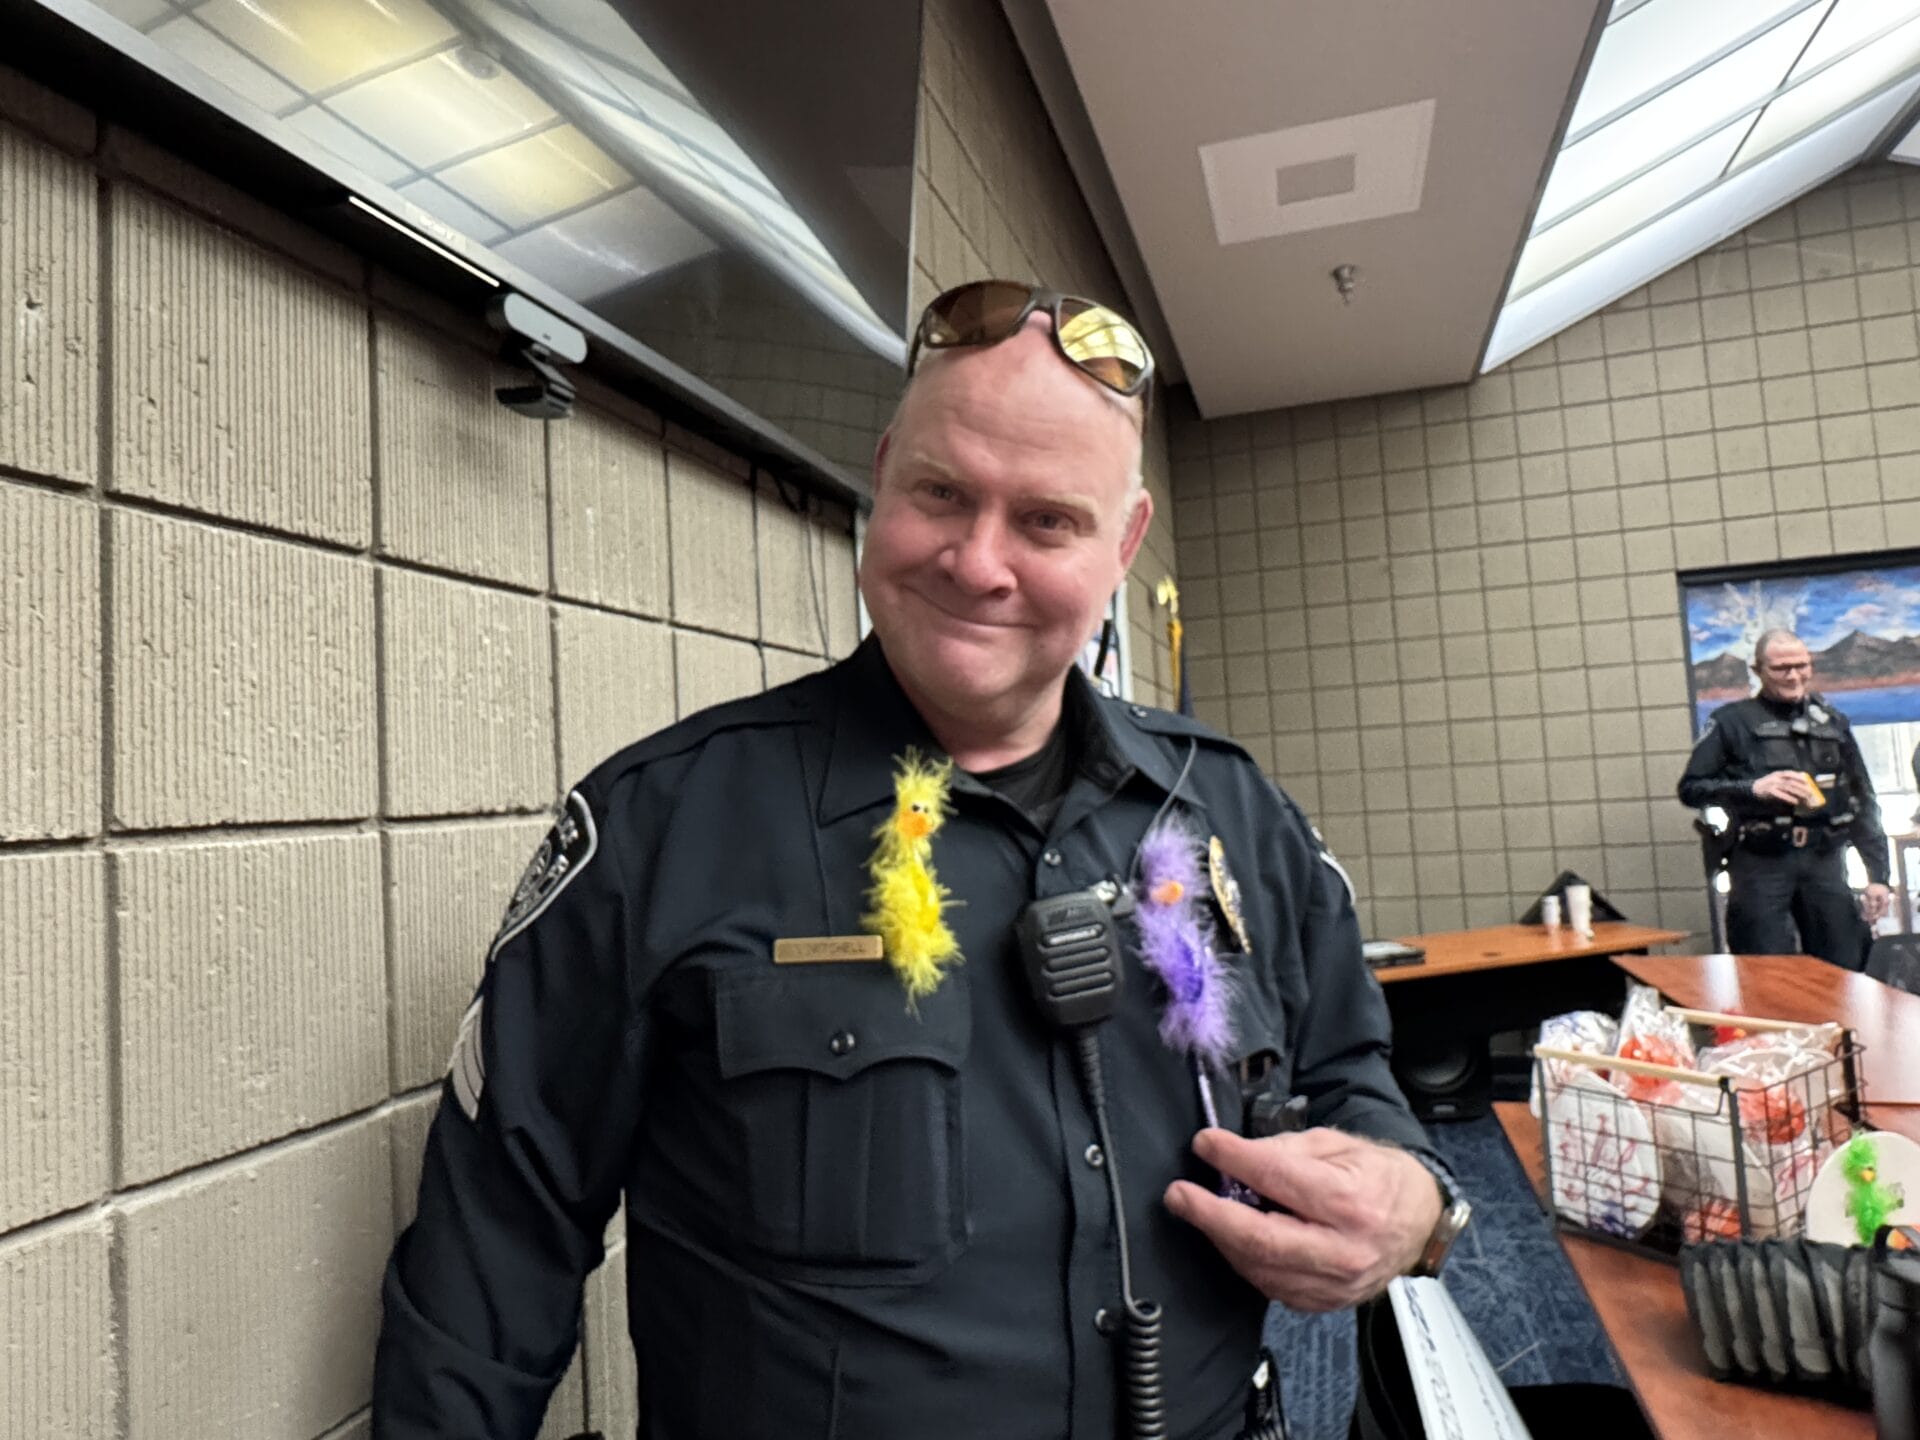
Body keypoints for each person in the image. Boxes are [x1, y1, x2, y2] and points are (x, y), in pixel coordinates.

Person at [372, 280, 1464, 1440]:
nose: (977, 563)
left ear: (1124, 543)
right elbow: (491, 1260)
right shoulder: (664, 830)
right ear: (884, 472)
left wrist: (1416, 1205)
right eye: (942, 492)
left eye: (1046, 521)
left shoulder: (1235, 815)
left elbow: (1351, 1077)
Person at [1678, 629, 1891, 970]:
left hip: (1825, 860)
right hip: (1760, 862)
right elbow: (1691, 788)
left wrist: (1878, 875)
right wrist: (1752, 788)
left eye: (1801, 665)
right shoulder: (1731, 722)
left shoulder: (1833, 722)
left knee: (1845, 967)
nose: (1793, 676)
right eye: (1781, 668)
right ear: (1757, 670)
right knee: (1764, 970)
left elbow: (1862, 799)